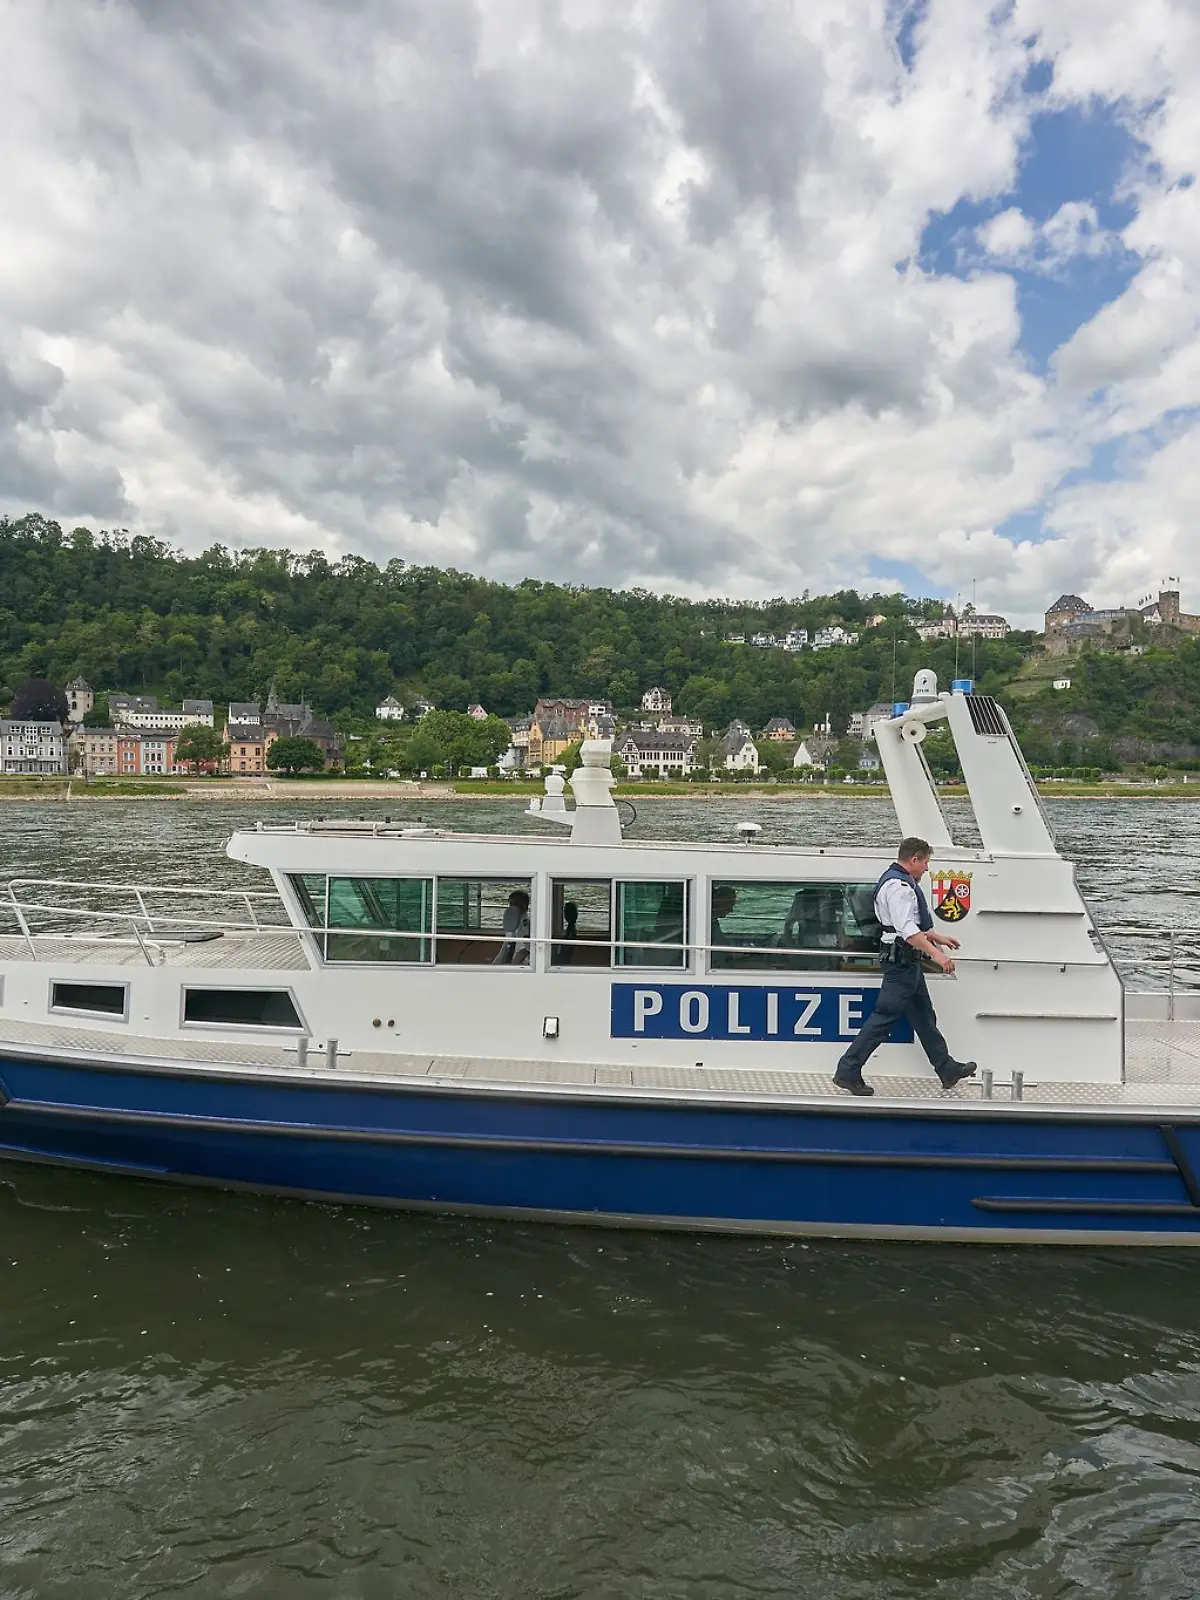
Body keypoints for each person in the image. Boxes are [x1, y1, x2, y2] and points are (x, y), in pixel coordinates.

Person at [832, 837, 976, 1097]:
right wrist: (938, 955)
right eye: (925, 863)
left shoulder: (896, 880)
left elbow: (909, 925)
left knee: (924, 1016)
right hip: (901, 962)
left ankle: (946, 1068)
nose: (927, 869)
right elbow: (907, 930)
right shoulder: (899, 887)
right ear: (914, 860)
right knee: (884, 1017)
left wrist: (937, 937)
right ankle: (848, 1069)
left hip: (906, 961)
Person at [493, 889, 531, 966]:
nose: (513, 907)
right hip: (509, 957)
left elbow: (527, 947)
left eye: (516, 904)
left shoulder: (528, 922)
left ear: (525, 905)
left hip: (523, 961)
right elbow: (506, 944)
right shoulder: (510, 921)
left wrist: (518, 959)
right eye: (511, 904)